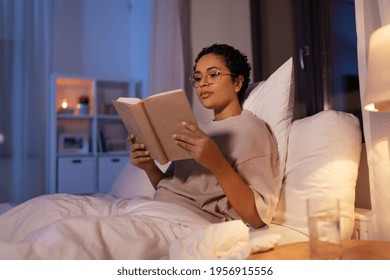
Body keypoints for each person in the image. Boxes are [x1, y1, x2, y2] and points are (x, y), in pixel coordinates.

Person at [128, 43, 281, 229]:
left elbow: (257, 217)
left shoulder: (251, 130)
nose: (203, 83)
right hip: (153, 210)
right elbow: (171, 187)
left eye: (213, 74)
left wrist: (215, 162)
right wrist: (149, 167)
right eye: (198, 77)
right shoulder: (195, 129)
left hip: (184, 222)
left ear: (238, 83)